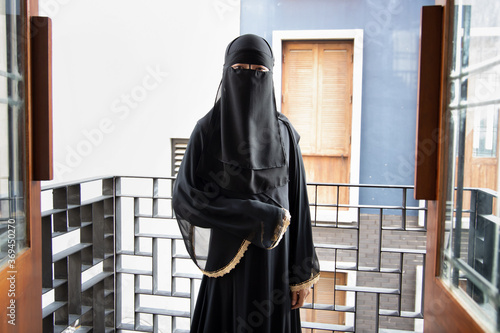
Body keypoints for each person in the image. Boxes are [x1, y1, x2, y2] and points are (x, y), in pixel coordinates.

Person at [172, 33, 320, 333]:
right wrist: (253, 215)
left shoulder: (284, 133)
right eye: (240, 69)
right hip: (228, 266)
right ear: (226, 72)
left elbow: (299, 205)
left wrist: (302, 276)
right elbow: (185, 198)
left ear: (270, 76)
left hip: (276, 269)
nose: (250, 78)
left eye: (260, 72)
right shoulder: (208, 130)